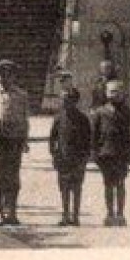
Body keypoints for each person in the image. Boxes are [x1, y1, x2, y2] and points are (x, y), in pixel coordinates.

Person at [0, 58, 30, 226]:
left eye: (8, 75)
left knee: (14, 177)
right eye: (1, 75)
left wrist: (25, 140)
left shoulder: (21, 95)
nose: (4, 78)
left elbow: (25, 119)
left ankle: (12, 211)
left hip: (14, 139)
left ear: (13, 77)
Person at [90, 79, 130, 226]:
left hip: (121, 153)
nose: (114, 94)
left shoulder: (128, 111)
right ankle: (109, 214)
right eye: (111, 91)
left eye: (117, 91)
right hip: (106, 153)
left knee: (120, 184)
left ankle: (120, 214)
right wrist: (95, 153)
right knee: (108, 185)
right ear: (106, 93)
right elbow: (94, 134)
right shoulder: (100, 112)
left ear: (123, 93)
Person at [48, 85, 93, 226]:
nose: (65, 103)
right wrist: (54, 154)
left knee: (77, 187)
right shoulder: (59, 118)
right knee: (64, 188)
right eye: (63, 100)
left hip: (78, 159)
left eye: (68, 100)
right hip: (63, 157)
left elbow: (88, 139)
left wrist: (85, 157)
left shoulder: (83, 119)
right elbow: (52, 138)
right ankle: (65, 215)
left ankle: (76, 215)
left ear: (75, 101)